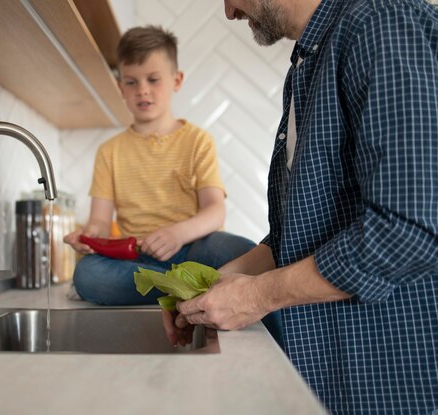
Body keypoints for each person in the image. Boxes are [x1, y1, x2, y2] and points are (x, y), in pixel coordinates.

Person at [165, 0, 438, 413]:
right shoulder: (310, 63)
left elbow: (410, 229)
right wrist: (209, 288)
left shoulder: (377, 23)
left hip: (392, 380)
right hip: (336, 376)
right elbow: (300, 238)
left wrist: (257, 297)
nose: (229, 12)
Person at [64, 26, 256, 306]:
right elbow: (100, 222)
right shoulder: (109, 152)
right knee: (88, 274)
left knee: (242, 252)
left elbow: (215, 210)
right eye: (131, 82)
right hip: (137, 256)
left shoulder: (198, 141)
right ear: (120, 88)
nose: (142, 90)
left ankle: (174, 283)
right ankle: (194, 287)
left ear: (176, 80)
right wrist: (90, 236)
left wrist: (177, 234)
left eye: (153, 79)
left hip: (195, 247)